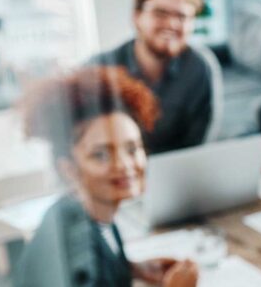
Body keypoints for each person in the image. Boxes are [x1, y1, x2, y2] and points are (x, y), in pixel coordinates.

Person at [12, 66, 198, 287]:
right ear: (68, 169)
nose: (124, 165)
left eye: (132, 149)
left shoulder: (77, 212)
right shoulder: (81, 256)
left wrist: (131, 269)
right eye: (100, 155)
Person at [89, 0, 221, 155]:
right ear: (137, 17)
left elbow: (198, 146)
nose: (172, 24)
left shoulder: (199, 68)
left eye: (182, 17)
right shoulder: (100, 69)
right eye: (160, 13)